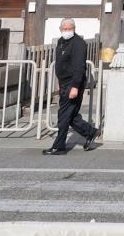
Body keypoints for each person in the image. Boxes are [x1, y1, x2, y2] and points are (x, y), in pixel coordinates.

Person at [43, 19, 100, 155]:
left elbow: (79, 66)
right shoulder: (61, 42)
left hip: (73, 83)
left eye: (70, 28)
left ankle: (59, 146)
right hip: (64, 83)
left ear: (74, 28)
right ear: (60, 29)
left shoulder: (78, 44)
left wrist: (75, 87)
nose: (67, 31)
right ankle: (90, 132)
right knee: (71, 115)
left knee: (63, 115)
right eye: (65, 29)